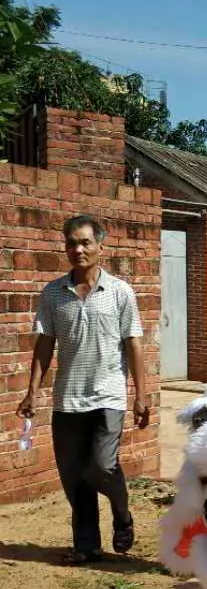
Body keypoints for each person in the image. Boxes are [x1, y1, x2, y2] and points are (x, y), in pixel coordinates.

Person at [17, 215, 150, 565]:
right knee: (75, 477)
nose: (77, 249)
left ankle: (122, 514)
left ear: (100, 247)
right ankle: (87, 546)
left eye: (85, 242)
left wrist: (141, 394)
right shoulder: (53, 293)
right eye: (71, 243)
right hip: (67, 399)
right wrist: (33, 390)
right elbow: (44, 344)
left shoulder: (120, 292)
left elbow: (134, 344)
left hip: (108, 396)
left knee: (102, 466)